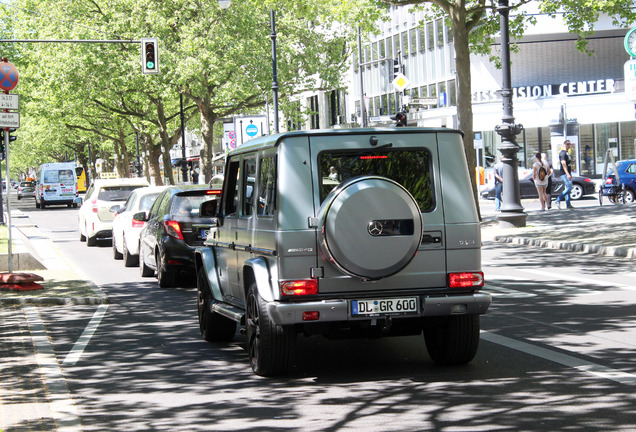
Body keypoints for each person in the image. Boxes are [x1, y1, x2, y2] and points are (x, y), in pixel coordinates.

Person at [555, 140, 574, 209]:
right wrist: (567, 174)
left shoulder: (567, 153)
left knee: (568, 188)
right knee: (569, 187)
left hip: (568, 173)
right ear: (564, 145)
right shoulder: (562, 153)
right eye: (567, 144)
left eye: (569, 144)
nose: (569, 145)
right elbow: (563, 163)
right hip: (564, 173)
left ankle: (568, 204)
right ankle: (558, 199)